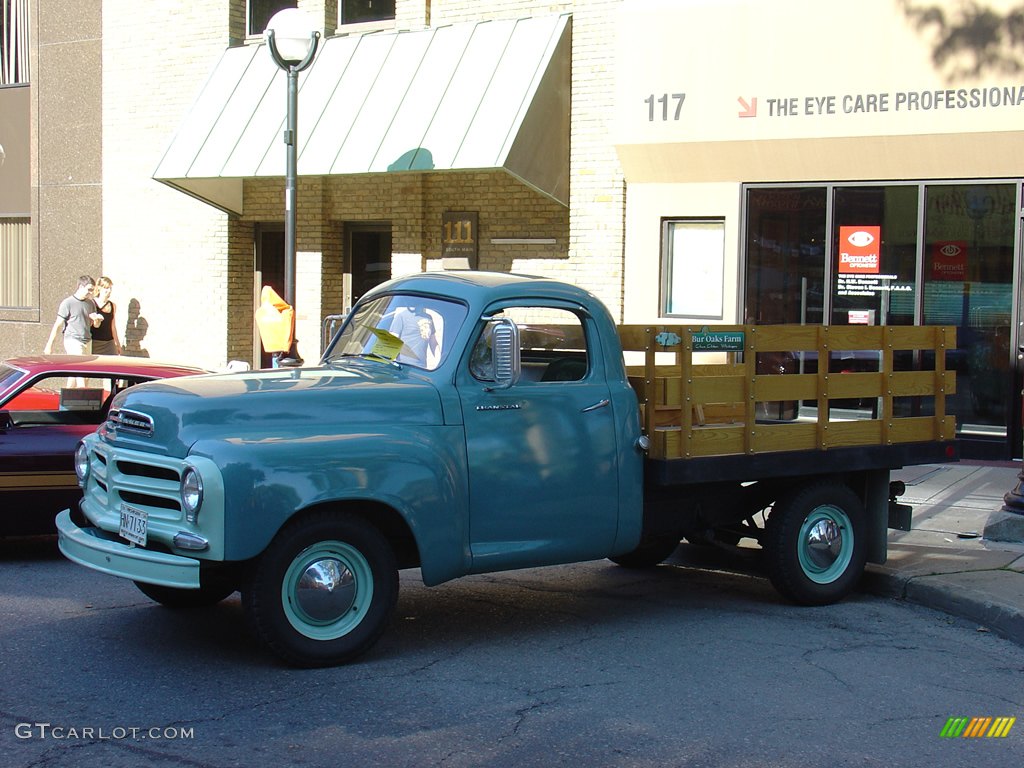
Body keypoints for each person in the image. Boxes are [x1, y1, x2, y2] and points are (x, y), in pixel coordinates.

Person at [43, 275, 102, 355]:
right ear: (81, 287)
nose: (91, 293)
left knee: (85, 366)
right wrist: (49, 345)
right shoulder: (68, 303)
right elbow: (58, 325)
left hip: (87, 341)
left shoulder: (90, 303)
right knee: (79, 365)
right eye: (89, 289)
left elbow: (96, 325)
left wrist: (97, 320)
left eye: (92, 290)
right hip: (73, 340)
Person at [90, 276, 122, 355]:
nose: (109, 291)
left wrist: (117, 343)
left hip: (109, 343)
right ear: (100, 288)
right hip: (94, 342)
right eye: (106, 288)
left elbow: (113, 326)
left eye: (110, 288)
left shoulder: (112, 305)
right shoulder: (91, 303)